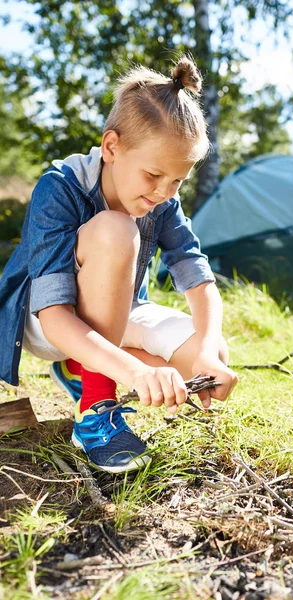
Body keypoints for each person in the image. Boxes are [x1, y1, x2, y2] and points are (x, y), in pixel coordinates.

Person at [0, 56, 238, 473]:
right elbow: (54, 316)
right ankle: (94, 406)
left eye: (177, 181)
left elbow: (198, 277)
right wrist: (129, 369)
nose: (164, 192)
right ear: (111, 147)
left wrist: (205, 353)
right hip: (47, 321)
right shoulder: (60, 187)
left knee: (209, 349)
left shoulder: (161, 198)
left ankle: (82, 368)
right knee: (117, 229)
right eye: (153, 175)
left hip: (118, 312)